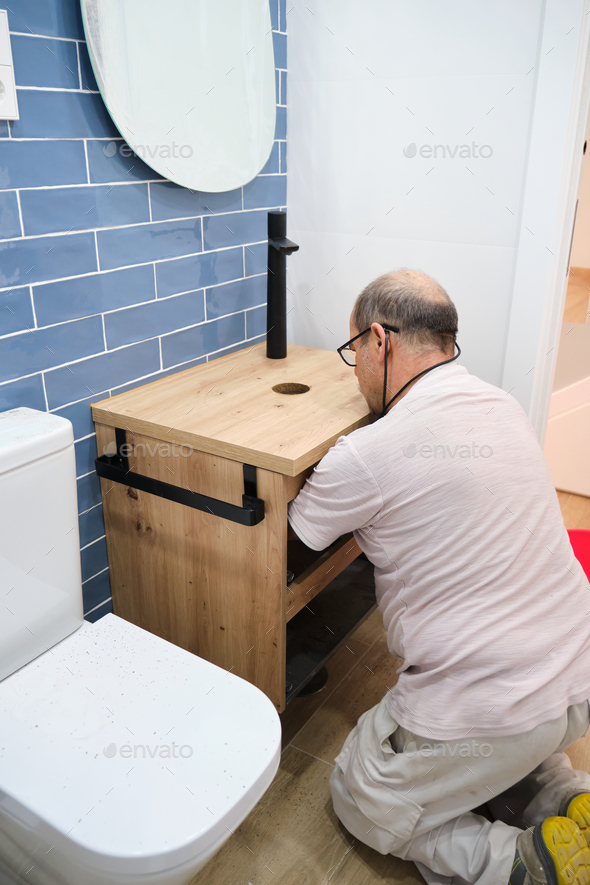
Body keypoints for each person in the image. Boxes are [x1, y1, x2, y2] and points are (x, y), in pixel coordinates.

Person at [287, 269, 590, 885]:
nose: (355, 372)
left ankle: (519, 866)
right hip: (576, 678)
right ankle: (564, 798)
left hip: (497, 703)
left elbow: (293, 545)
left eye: (353, 354)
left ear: (380, 341)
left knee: (360, 791)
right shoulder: (501, 405)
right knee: (502, 751)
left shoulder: (369, 452)